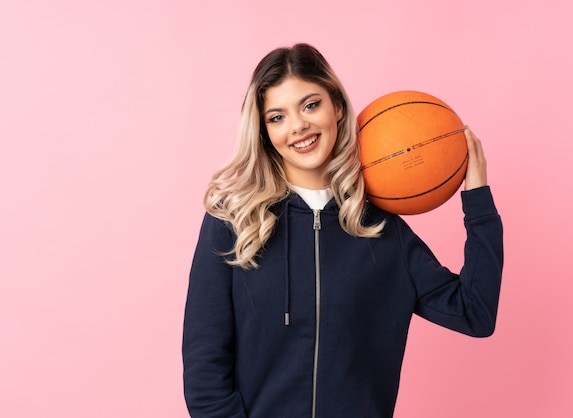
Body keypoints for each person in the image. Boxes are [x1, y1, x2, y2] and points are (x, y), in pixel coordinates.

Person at [182, 43, 503, 418]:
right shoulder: (234, 222)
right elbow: (205, 369)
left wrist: (478, 201)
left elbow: (474, 313)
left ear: (336, 106)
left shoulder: (382, 231)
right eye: (277, 117)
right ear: (264, 131)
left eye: (310, 105)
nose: (298, 125)